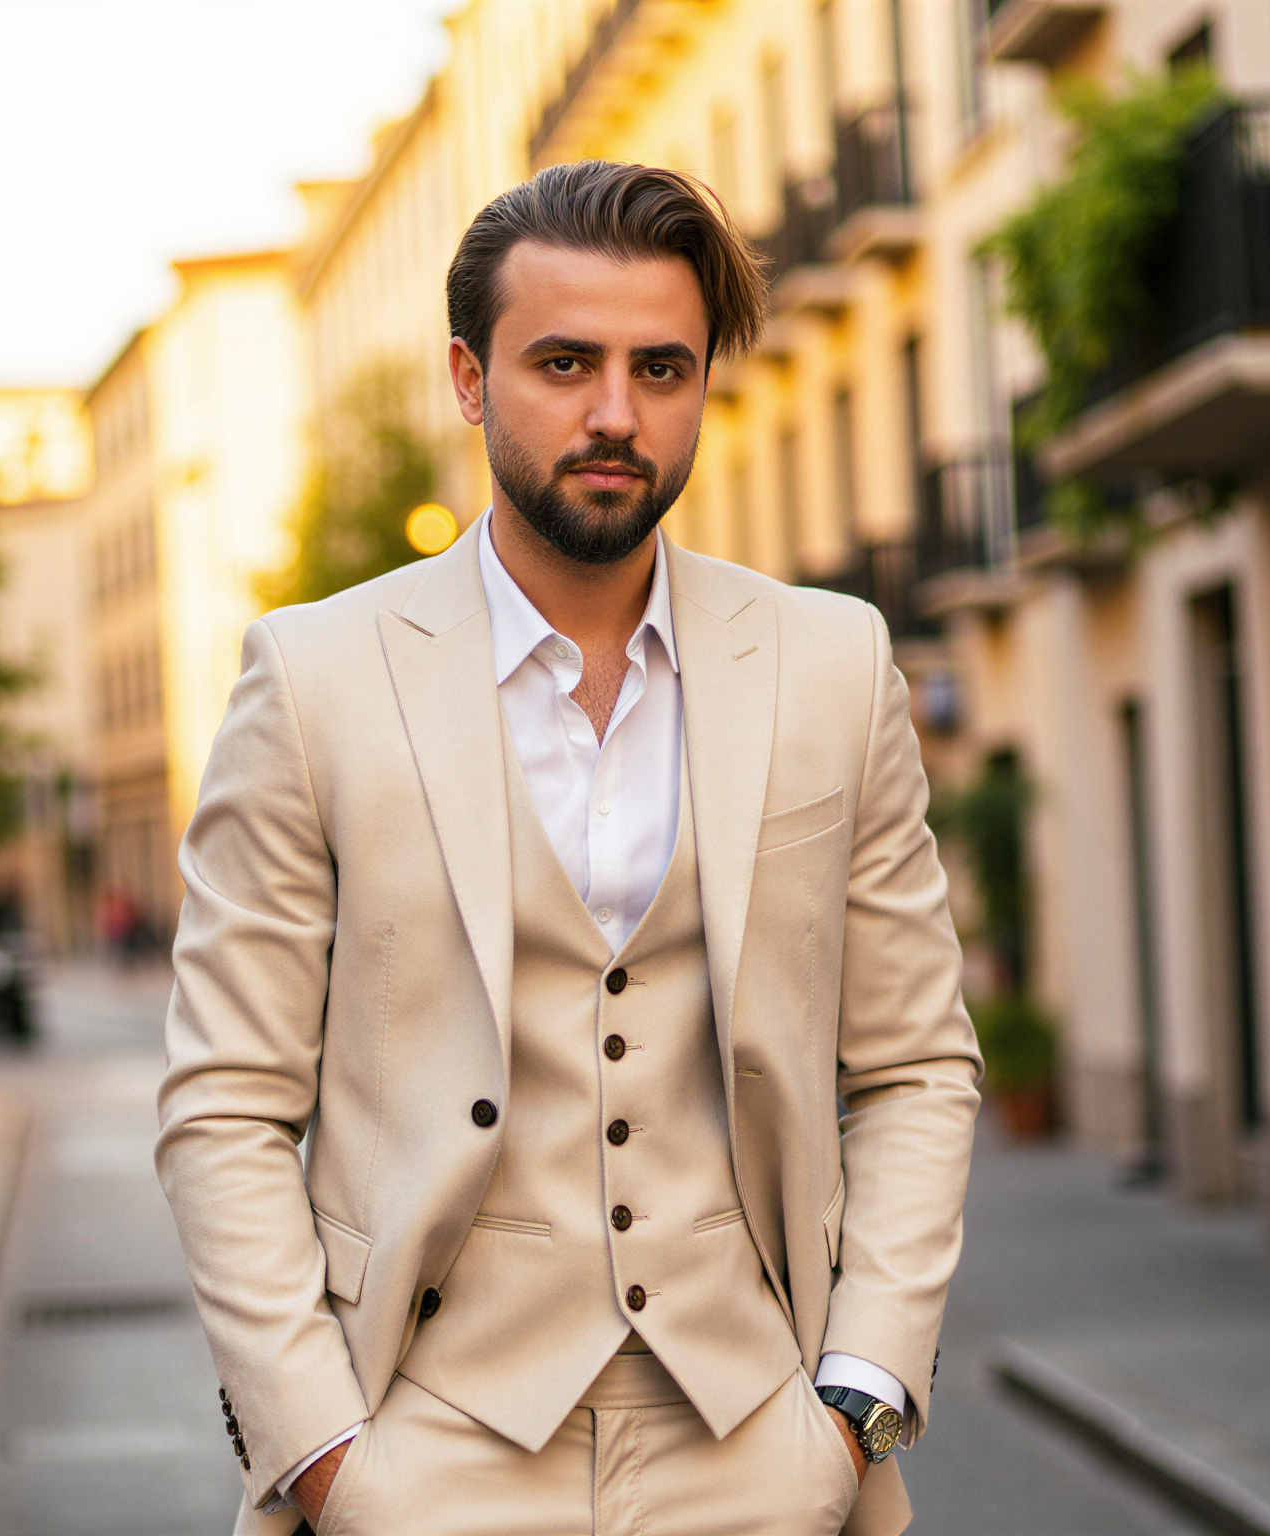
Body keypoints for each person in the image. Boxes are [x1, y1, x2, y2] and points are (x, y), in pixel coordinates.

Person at [156, 160, 982, 1536]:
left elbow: (915, 1066)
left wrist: (860, 1404)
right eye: (564, 363)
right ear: (469, 381)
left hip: (761, 1453)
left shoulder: (833, 664)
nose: (615, 413)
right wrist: (325, 1459)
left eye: (661, 368)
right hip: (425, 1452)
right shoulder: (314, 680)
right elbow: (226, 1103)